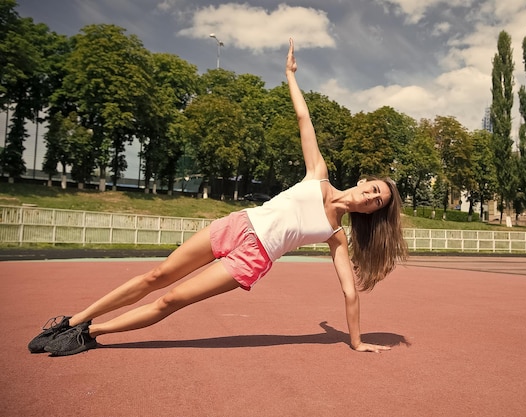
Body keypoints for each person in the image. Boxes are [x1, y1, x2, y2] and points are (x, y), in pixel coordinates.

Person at [28, 39, 408, 357]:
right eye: (373, 189)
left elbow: (348, 290)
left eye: (376, 202)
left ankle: (90, 334)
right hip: (237, 224)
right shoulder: (318, 175)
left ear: (371, 212)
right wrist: (290, 75)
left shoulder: (334, 233)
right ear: (362, 181)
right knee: (157, 276)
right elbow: (303, 119)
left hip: (253, 257)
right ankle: (73, 319)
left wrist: (356, 341)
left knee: (171, 299)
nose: (370, 197)